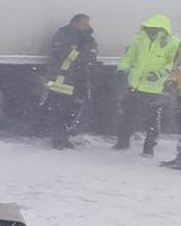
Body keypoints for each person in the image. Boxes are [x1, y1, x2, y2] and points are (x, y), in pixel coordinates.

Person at [114, 15, 180, 156]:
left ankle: (149, 147)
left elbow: (173, 64)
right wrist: (122, 69)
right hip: (135, 84)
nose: (150, 31)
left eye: (154, 29)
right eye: (149, 28)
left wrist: (159, 73)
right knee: (127, 114)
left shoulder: (173, 43)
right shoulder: (138, 39)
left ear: (162, 29)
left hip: (155, 87)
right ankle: (123, 141)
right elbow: (129, 56)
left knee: (152, 119)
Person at [42, 14, 98, 150]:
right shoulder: (64, 33)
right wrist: (82, 55)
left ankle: (64, 136)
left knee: (72, 110)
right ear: (74, 22)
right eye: (83, 24)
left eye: (87, 24)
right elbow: (63, 51)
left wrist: (88, 52)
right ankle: (57, 138)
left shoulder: (87, 38)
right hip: (62, 79)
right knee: (58, 109)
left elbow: (93, 52)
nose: (86, 27)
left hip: (78, 79)